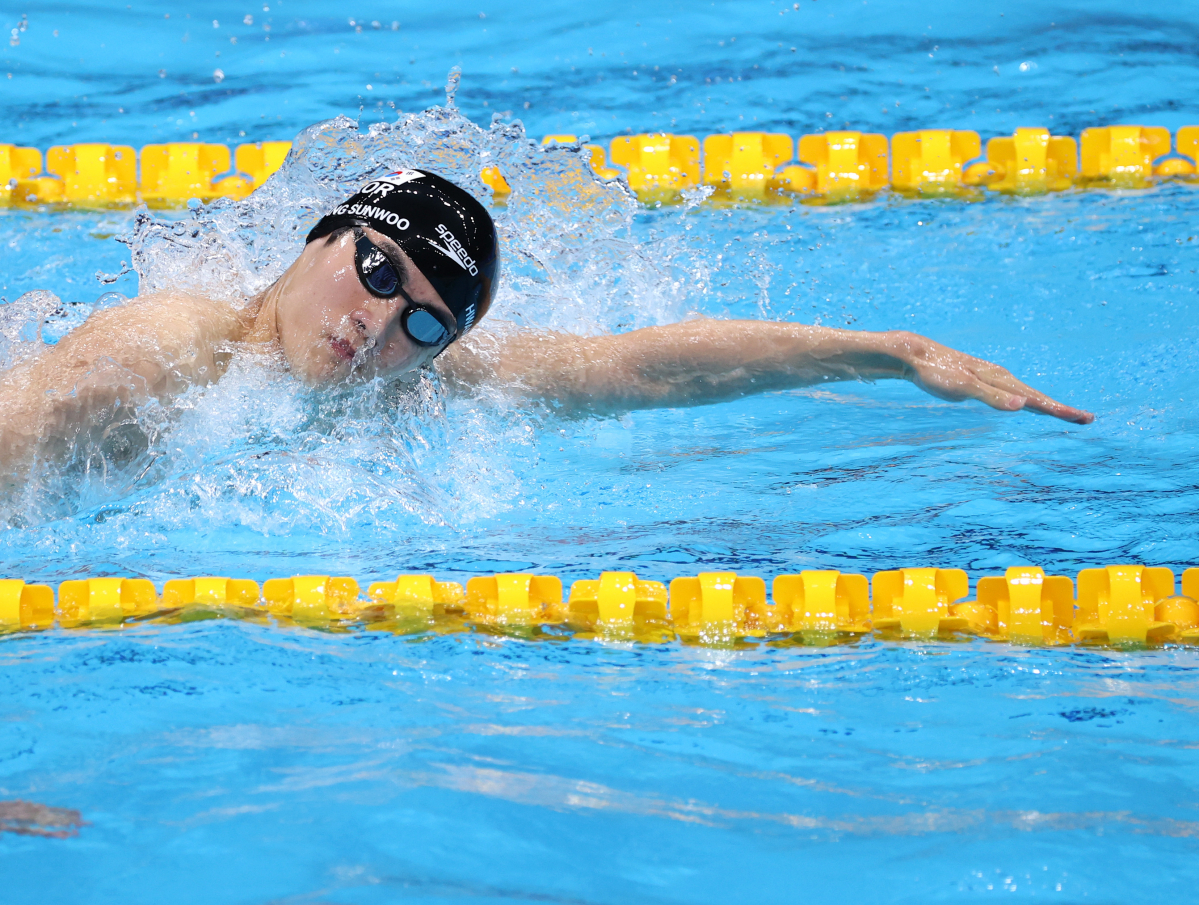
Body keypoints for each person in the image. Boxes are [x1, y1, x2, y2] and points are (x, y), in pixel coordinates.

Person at [0, 168, 1093, 476]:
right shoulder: (167, 353)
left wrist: (885, 353)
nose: (377, 326)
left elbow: (631, 368)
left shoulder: (411, 383)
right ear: (316, 238)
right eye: (375, 269)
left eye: (424, 323)